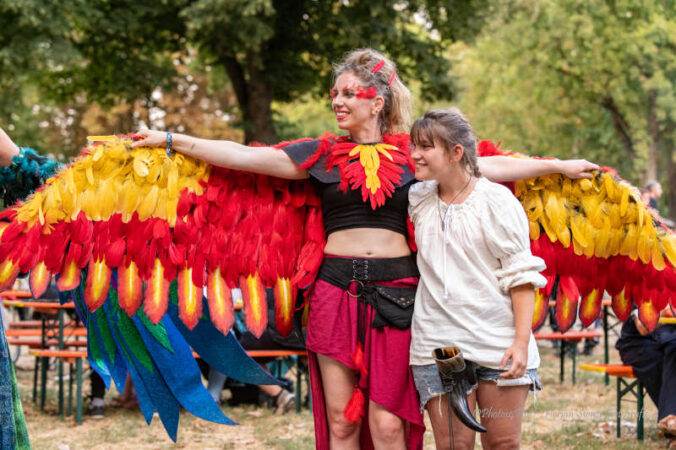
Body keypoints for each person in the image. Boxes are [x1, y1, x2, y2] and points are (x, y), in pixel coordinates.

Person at [134, 48, 597, 449]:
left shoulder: (412, 155)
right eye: (334, 94)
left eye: (348, 93)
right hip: (333, 292)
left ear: (377, 101)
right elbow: (243, 155)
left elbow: (482, 166)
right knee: (340, 420)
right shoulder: (319, 154)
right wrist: (173, 140)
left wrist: (559, 165)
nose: (337, 101)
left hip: (400, 297)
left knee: (388, 422)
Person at [407, 108, 547, 449]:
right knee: (454, 445)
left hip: (497, 342)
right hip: (440, 345)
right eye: (414, 145)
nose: (414, 154)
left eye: (426, 147)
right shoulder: (417, 198)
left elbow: (521, 277)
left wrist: (519, 342)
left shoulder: (497, 201)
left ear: (456, 152)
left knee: (503, 444)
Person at [616, 306, 675, 449]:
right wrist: (661, 311)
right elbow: (643, 327)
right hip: (637, 345)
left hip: (666, 343)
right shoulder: (639, 289)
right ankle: (670, 420)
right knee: (664, 362)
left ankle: (671, 422)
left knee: (673, 352)